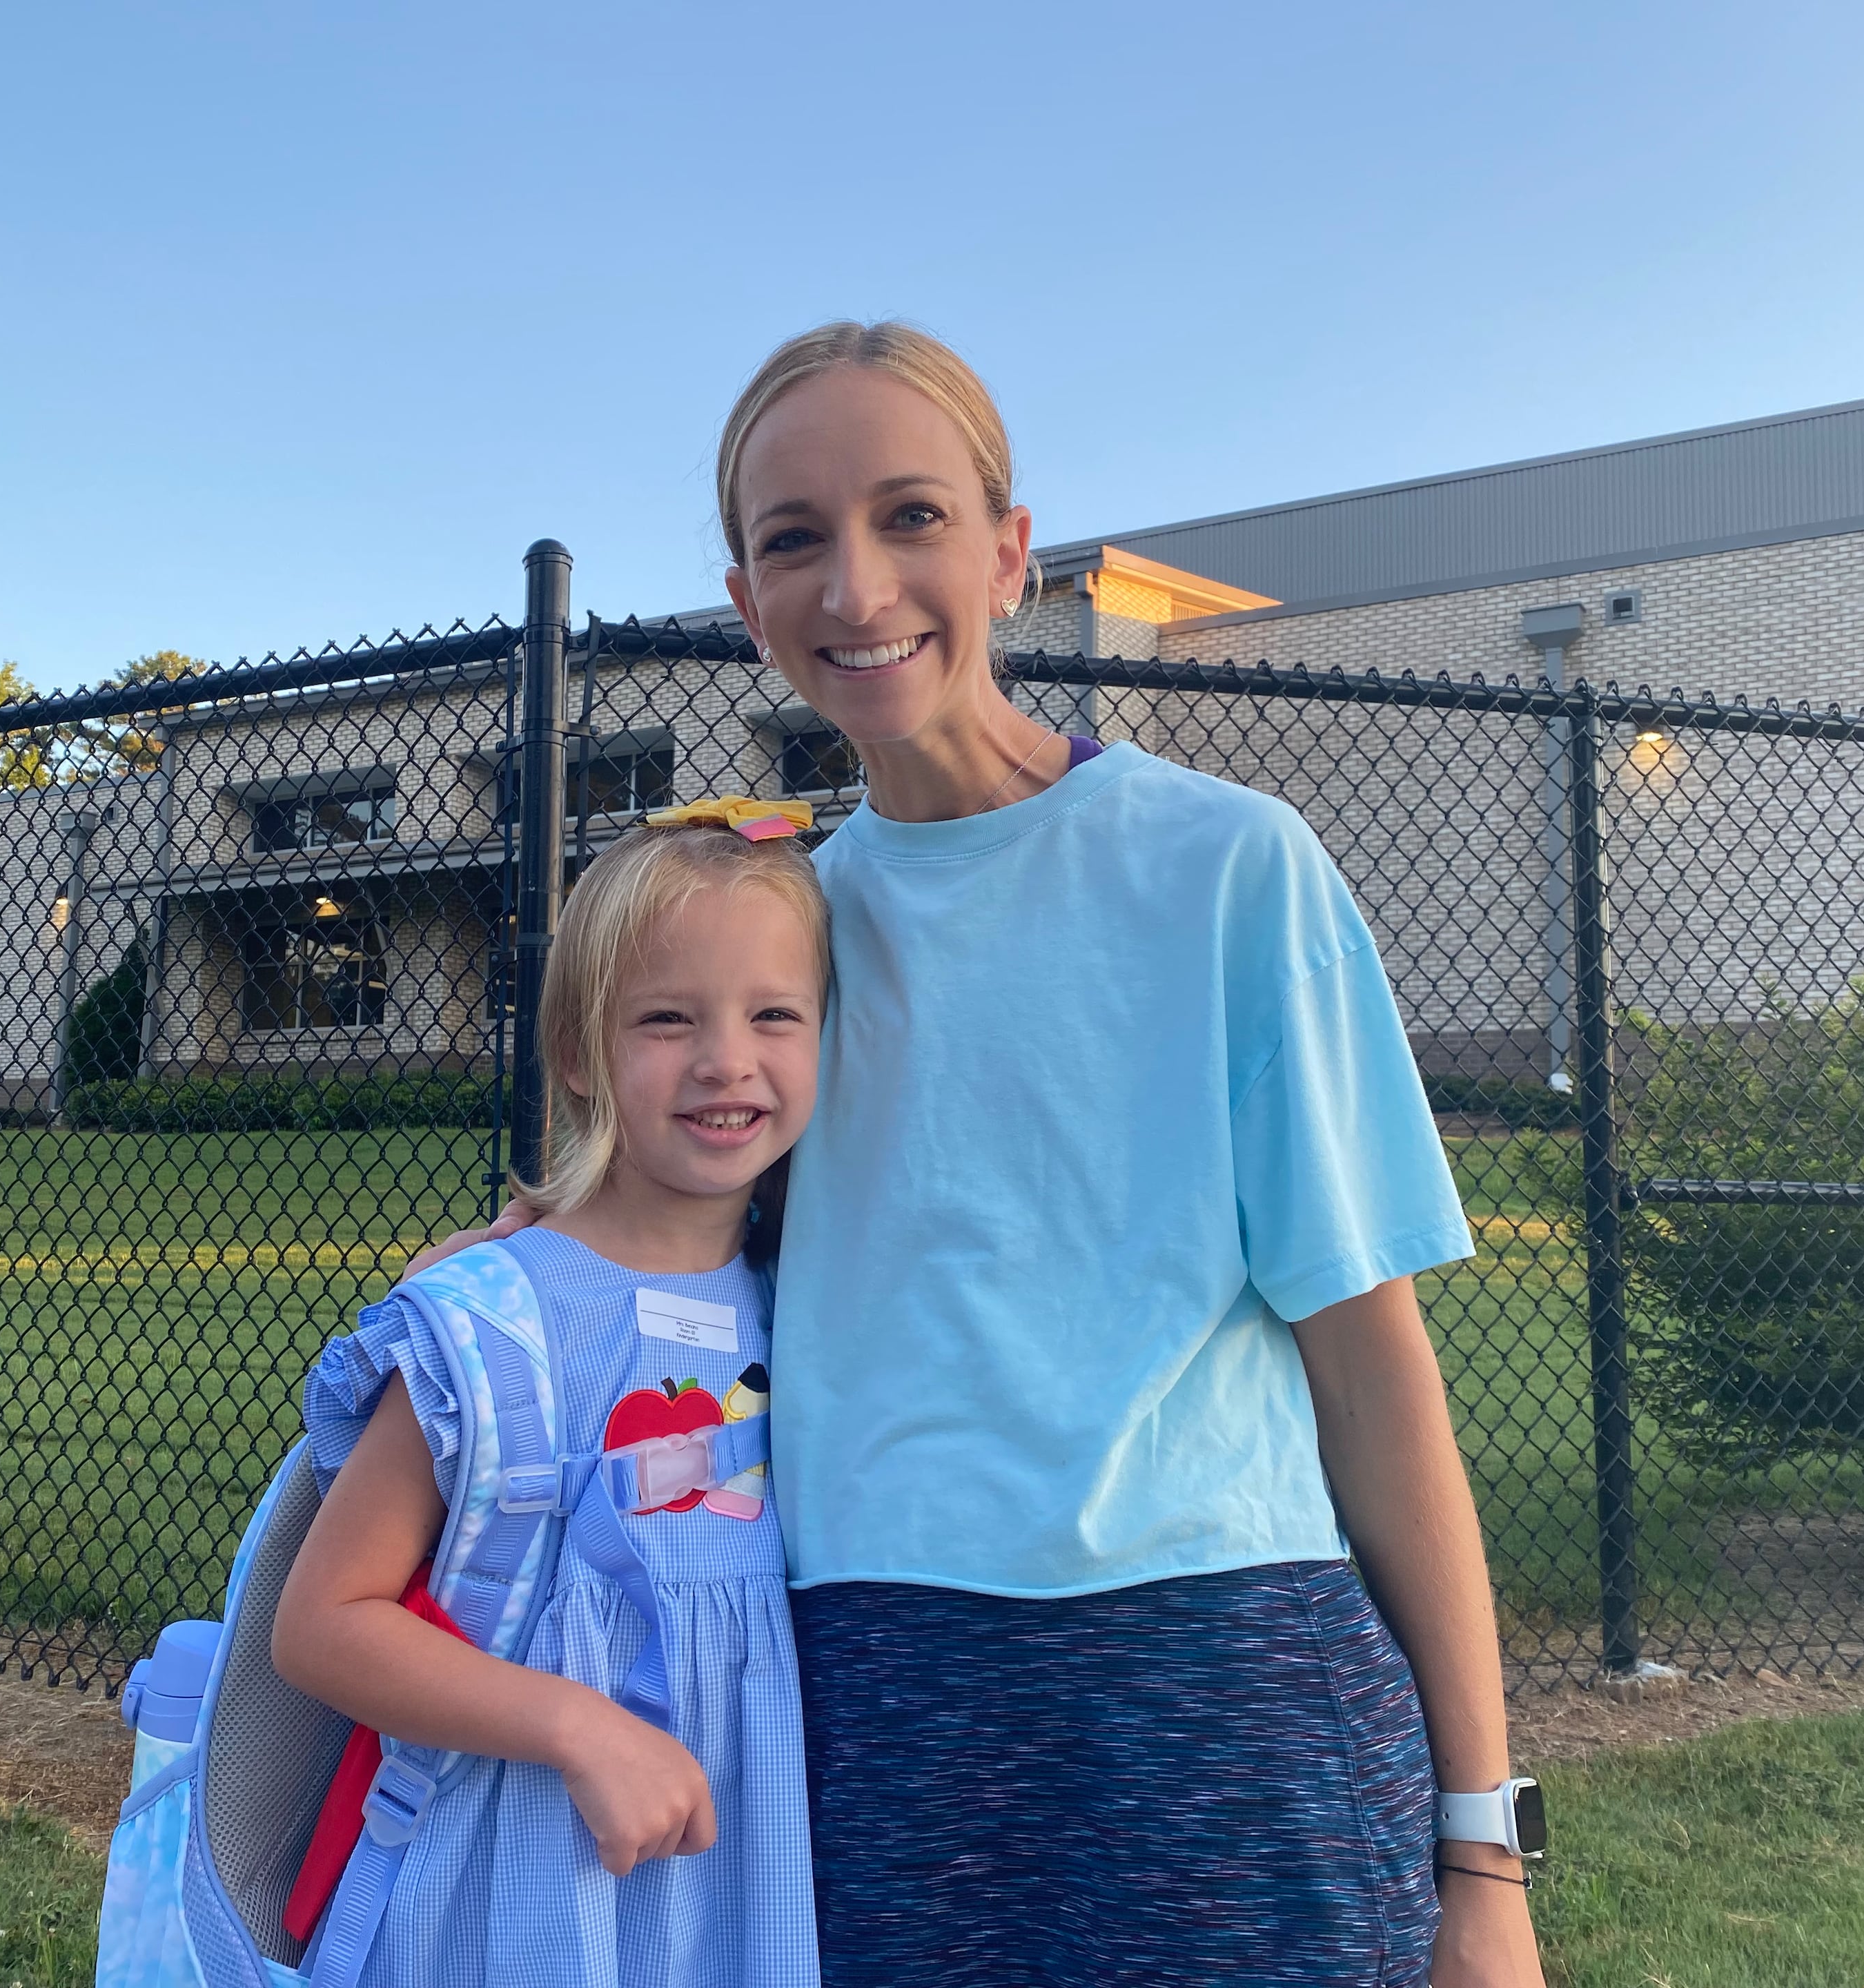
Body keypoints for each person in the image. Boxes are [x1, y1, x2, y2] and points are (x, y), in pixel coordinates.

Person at [429, 320, 1546, 1988]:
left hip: (1219, 1666)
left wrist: (1485, 1852)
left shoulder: (1230, 867)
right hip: (876, 1682)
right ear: (748, 603)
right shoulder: (783, 933)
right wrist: (538, 1248)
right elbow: (688, 1219)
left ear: (1013, 554)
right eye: (795, 538)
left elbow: (1374, 1369)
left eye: (914, 516)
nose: (858, 586)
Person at [272, 812, 828, 1988]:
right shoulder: (489, 1324)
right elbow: (323, 1625)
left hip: (731, 1888)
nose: (728, 1059)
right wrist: (579, 1727)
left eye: (774, 1014)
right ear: (576, 1051)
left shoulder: (817, 1311)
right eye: (668, 1017)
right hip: (496, 1890)